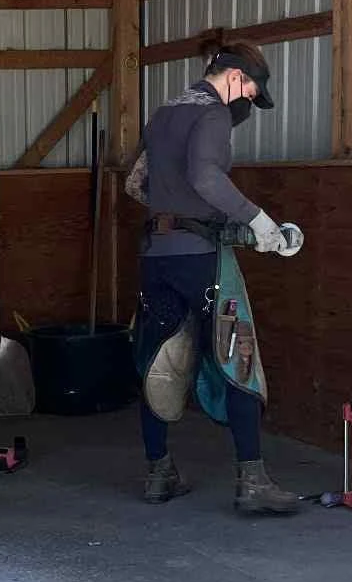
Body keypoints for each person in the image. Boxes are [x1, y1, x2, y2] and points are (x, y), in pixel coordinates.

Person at [123, 31, 303, 513]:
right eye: (250, 90)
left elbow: (134, 181)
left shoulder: (164, 112)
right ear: (236, 76)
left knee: (159, 362)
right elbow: (206, 176)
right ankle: (253, 481)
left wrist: (175, 210)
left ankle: (159, 473)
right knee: (237, 354)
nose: (249, 99)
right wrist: (255, 219)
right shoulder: (212, 112)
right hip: (201, 257)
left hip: (155, 256)